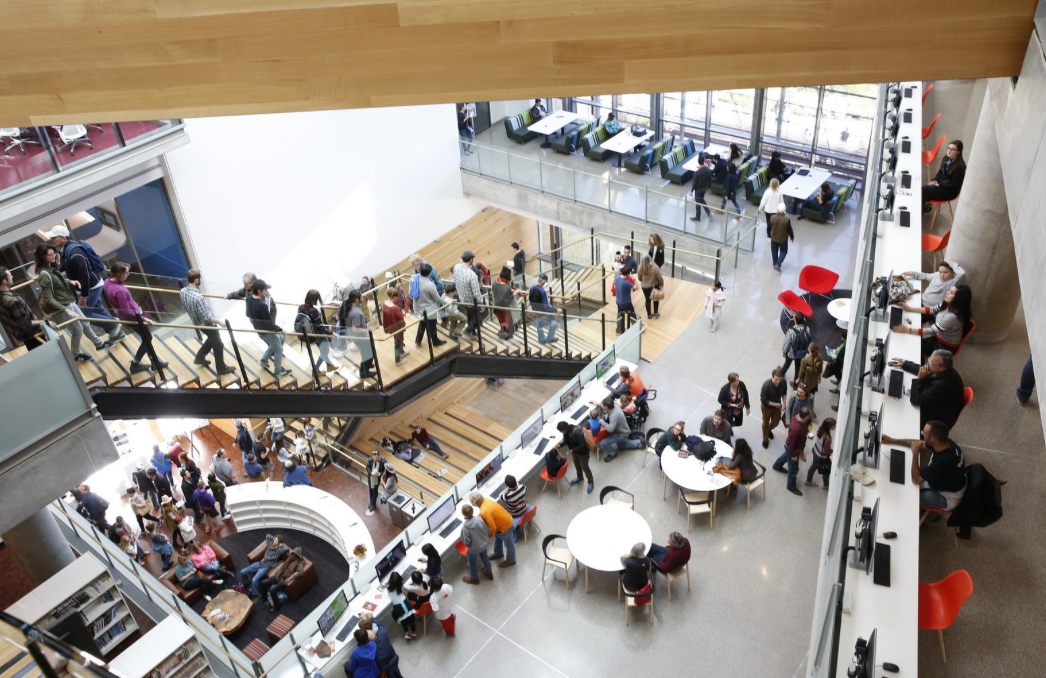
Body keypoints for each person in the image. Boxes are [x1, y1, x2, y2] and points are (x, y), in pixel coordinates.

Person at [46, 225, 125, 343]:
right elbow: (64, 266)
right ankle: (118, 334)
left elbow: (85, 276)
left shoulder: (74, 253)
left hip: (91, 287)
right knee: (97, 310)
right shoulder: (65, 250)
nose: (52, 240)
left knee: (83, 315)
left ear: (63, 238)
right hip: (90, 286)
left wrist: (84, 296)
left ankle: (114, 324)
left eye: (54, 237)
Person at [34, 243, 109, 362]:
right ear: (42, 257)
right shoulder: (44, 274)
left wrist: (70, 282)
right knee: (77, 329)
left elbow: (58, 282)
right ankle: (75, 355)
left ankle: (99, 343)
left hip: (68, 301)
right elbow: (48, 299)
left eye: (54, 253)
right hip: (62, 306)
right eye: (50, 255)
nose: (53, 256)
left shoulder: (51, 268)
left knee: (84, 322)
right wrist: (67, 310)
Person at [886, 421, 967, 513]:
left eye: (924, 433)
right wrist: (892, 440)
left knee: (908, 497)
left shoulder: (941, 463)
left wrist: (915, 455)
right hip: (952, 481)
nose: (922, 435)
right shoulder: (947, 443)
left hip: (948, 497)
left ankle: (925, 516)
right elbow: (919, 444)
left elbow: (916, 480)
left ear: (933, 438)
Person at [103, 262, 167, 374]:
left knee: (146, 338)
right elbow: (127, 312)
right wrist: (145, 319)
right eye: (126, 273)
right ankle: (135, 363)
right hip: (133, 318)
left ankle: (155, 362)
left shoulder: (108, 282)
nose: (128, 274)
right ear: (118, 274)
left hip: (126, 316)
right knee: (147, 338)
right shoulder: (120, 291)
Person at [179, 269, 236, 375]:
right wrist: (220, 322)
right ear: (196, 280)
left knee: (212, 339)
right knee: (218, 344)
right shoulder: (198, 298)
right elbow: (207, 318)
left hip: (196, 322)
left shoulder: (183, 291)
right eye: (200, 278)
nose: (201, 279)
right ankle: (221, 367)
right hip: (207, 324)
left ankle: (200, 357)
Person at [891, 349, 965, 428]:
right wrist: (905, 364)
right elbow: (925, 370)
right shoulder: (944, 369)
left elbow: (916, 400)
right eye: (929, 359)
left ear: (942, 368)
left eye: (931, 363)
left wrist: (920, 379)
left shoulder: (941, 385)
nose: (927, 364)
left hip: (936, 418)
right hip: (938, 402)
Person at [893, 284, 973, 356]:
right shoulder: (948, 303)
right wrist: (910, 309)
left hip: (943, 346)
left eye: (951, 293)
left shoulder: (952, 317)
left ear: (958, 299)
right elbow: (932, 309)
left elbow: (931, 330)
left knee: (913, 344)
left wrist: (907, 330)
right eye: (949, 290)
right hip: (940, 328)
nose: (947, 293)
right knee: (920, 313)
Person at [0, 266, 56, 351]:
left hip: (25, 336)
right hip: (32, 335)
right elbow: (24, 323)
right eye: (10, 276)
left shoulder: (4, 295)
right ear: (4, 281)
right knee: (45, 354)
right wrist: (45, 322)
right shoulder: (12, 301)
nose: (12, 277)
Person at [245, 279, 291, 377]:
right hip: (267, 331)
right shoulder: (261, 305)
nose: (266, 292)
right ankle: (278, 372)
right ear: (259, 291)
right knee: (279, 349)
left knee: (280, 339)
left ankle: (263, 360)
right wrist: (280, 329)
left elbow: (248, 314)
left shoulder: (249, 299)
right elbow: (269, 324)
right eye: (265, 290)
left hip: (259, 330)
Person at [773, 406, 812, 496]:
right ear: (806, 417)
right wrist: (794, 455)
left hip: (791, 448)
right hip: (793, 449)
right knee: (794, 469)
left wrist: (806, 432)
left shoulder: (798, 417)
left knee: (786, 456)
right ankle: (791, 485)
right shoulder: (797, 429)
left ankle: (777, 465)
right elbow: (790, 444)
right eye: (809, 415)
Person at [470, 491, 515, 568]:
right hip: (504, 521)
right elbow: (486, 512)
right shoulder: (486, 500)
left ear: (475, 503)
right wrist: (476, 518)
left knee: (509, 545)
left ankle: (511, 561)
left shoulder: (484, 511)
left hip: (506, 527)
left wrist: (489, 535)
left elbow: (492, 528)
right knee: (498, 540)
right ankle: (498, 553)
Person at [297, 289, 337, 372]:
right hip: (319, 335)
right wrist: (332, 333)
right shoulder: (314, 312)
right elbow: (321, 328)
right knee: (325, 352)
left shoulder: (301, 307)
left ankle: (329, 365)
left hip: (311, 333)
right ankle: (315, 370)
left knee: (323, 350)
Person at [339, 290, 375, 379]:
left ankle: (367, 365)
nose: (362, 297)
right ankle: (364, 372)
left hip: (353, 336)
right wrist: (365, 331)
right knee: (369, 352)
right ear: (356, 300)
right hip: (360, 337)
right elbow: (355, 329)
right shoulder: (355, 313)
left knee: (365, 351)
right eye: (361, 297)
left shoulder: (346, 305)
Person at [922, 140, 966, 212]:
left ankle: (920, 211)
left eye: (953, 149)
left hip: (949, 192)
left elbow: (954, 185)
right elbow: (940, 172)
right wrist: (934, 180)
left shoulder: (959, 167)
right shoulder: (946, 158)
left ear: (958, 151)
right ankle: (921, 211)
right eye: (948, 148)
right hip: (942, 185)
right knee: (924, 194)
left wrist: (939, 184)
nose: (949, 151)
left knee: (924, 189)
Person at [257, 547, 305, 612]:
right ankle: (264, 598)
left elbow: (300, 572)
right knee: (263, 582)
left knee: (272, 589)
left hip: (285, 580)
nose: (292, 556)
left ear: (297, 556)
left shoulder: (299, 563)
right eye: (292, 554)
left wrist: (290, 578)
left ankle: (277, 606)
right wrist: (277, 575)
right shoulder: (290, 558)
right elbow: (283, 567)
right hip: (279, 577)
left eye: (294, 555)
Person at [241, 534, 288, 598]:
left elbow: (286, 548)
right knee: (242, 572)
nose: (274, 541)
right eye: (274, 539)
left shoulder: (279, 550)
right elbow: (267, 535)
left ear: (279, 543)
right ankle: (246, 583)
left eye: (276, 541)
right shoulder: (270, 544)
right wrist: (275, 539)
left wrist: (280, 544)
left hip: (265, 567)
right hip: (259, 563)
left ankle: (255, 593)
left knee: (254, 580)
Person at [412, 263, 447, 348]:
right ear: (429, 273)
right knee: (432, 325)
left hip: (419, 306)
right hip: (429, 309)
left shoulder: (415, 279)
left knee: (423, 322)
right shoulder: (430, 285)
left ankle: (418, 339)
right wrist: (447, 302)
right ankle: (435, 341)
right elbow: (437, 299)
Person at [598, 395, 643, 461]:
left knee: (603, 442)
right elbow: (606, 408)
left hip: (621, 434)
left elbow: (610, 429)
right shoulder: (615, 406)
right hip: (623, 430)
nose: (603, 405)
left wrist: (602, 422)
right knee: (621, 446)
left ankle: (612, 454)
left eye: (603, 405)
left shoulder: (614, 416)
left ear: (606, 407)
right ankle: (639, 443)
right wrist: (598, 404)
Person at [452, 251, 484, 338]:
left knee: (470, 316)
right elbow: (476, 292)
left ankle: (472, 332)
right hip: (471, 301)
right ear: (471, 260)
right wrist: (481, 303)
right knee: (476, 316)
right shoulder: (472, 274)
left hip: (462, 298)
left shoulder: (456, 267)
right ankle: (468, 331)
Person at [460, 503, 492, 584]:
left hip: (474, 549)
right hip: (484, 544)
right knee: (485, 557)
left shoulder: (464, 528)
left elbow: (466, 542)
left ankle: (474, 578)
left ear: (463, 514)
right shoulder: (480, 519)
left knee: (472, 563)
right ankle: (489, 572)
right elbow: (486, 530)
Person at [558, 420, 593, 493]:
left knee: (585, 467)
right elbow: (566, 440)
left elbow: (583, 445)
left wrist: (573, 450)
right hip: (574, 452)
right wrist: (560, 445)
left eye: (561, 431)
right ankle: (580, 477)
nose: (562, 433)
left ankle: (590, 482)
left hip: (583, 453)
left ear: (564, 429)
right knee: (577, 466)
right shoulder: (566, 432)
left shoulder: (577, 432)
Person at [760, 368, 788, 449]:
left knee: (776, 421)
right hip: (767, 407)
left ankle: (768, 430)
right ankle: (765, 438)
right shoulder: (766, 386)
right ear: (772, 377)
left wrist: (784, 403)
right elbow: (764, 400)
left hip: (777, 406)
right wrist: (776, 405)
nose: (778, 381)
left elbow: (784, 392)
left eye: (780, 379)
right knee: (765, 422)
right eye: (776, 379)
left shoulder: (783, 382)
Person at [385, 572, 418, 640]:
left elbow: (389, 594)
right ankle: (414, 632)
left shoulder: (389, 588)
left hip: (398, 607)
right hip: (406, 603)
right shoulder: (400, 585)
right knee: (411, 619)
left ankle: (407, 633)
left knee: (403, 621)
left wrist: (387, 585)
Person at [528, 274, 559, 344]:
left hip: (536, 311)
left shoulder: (532, 288)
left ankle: (541, 340)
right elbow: (546, 305)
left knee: (539, 325)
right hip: (544, 312)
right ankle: (550, 337)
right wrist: (555, 310)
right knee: (554, 320)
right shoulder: (543, 291)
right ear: (544, 281)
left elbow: (530, 300)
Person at [491, 266, 520, 339]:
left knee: (502, 321)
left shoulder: (495, 281)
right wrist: (515, 293)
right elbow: (509, 299)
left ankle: (502, 331)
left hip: (497, 306)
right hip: (505, 308)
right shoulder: (507, 287)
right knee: (508, 323)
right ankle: (507, 335)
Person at [382, 286, 409, 365]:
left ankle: (402, 352)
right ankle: (398, 360)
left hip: (391, 325)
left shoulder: (384, 302)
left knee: (398, 340)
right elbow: (401, 316)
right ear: (394, 297)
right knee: (397, 342)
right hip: (397, 326)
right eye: (397, 297)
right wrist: (403, 312)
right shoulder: (395, 308)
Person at [806, 418, 836, 489]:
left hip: (816, 450)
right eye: (834, 426)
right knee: (826, 470)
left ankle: (809, 479)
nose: (835, 427)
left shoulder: (821, 429)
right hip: (822, 456)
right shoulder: (827, 439)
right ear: (829, 427)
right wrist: (831, 451)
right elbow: (827, 450)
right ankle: (826, 485)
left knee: (813, 466)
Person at [781, 313, 810, 384]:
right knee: (798, 369)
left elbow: (787, 344)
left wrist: (784, 352)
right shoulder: (807, 329)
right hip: (802, 353)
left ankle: (781, 374)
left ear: (795, 320)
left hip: (791, 353)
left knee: (787, 364)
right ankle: (795, 384)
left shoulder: (791, 332)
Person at [636, 255, 664, 320]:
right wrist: (661, 285)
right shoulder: (655, 267)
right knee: (655, 299)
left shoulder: (640, 268)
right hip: (654, 286)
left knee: (647, 299)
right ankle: (656, 313)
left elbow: (639, 278)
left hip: (644, 287)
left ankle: (649, 315)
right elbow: (660, 278)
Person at [769, 204, 794, 272]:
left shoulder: (772, 217)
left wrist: (769, 234)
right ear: (785, 210)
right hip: (783, 239)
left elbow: (769, 227)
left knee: (774, 251)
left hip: (774, 238)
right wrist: (792, 237)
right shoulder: (786, 220)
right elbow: (790, 230)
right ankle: (778, 263)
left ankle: (775, 263)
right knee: (783, 251)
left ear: (777, 209)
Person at [613, 266, 637, 335]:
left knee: (620, 315)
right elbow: (637, 287)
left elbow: (615, 286)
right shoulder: (626, 283)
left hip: (618, 301)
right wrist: (634, 279)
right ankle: (637, 327)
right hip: (626, 302)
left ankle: (619, 330)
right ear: (629, 274)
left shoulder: (617, 278)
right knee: (632, 315)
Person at [690, 153, 713, 221]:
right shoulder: (708, 170)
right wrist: (709, 188)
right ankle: (708, 213)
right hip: (704, 189)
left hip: (698, 190)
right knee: (702, 200)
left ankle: (698, 217)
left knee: (698, 203)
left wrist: (691, 191)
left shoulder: (697, 173)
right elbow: (710, 180)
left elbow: (694, 183)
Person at [366, 449, 384, 516]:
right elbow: (367, 467)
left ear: (379, 456)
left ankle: (373, 503)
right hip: (371, 478)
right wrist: (371, 473)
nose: (375, 459)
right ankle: (371, 502)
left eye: (376, 457)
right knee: (371, 489)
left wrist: (380, 474)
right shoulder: (370, 460)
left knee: (375, 491)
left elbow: (384, 471)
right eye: (374, 457)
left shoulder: (382, 462)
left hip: (377, 479)